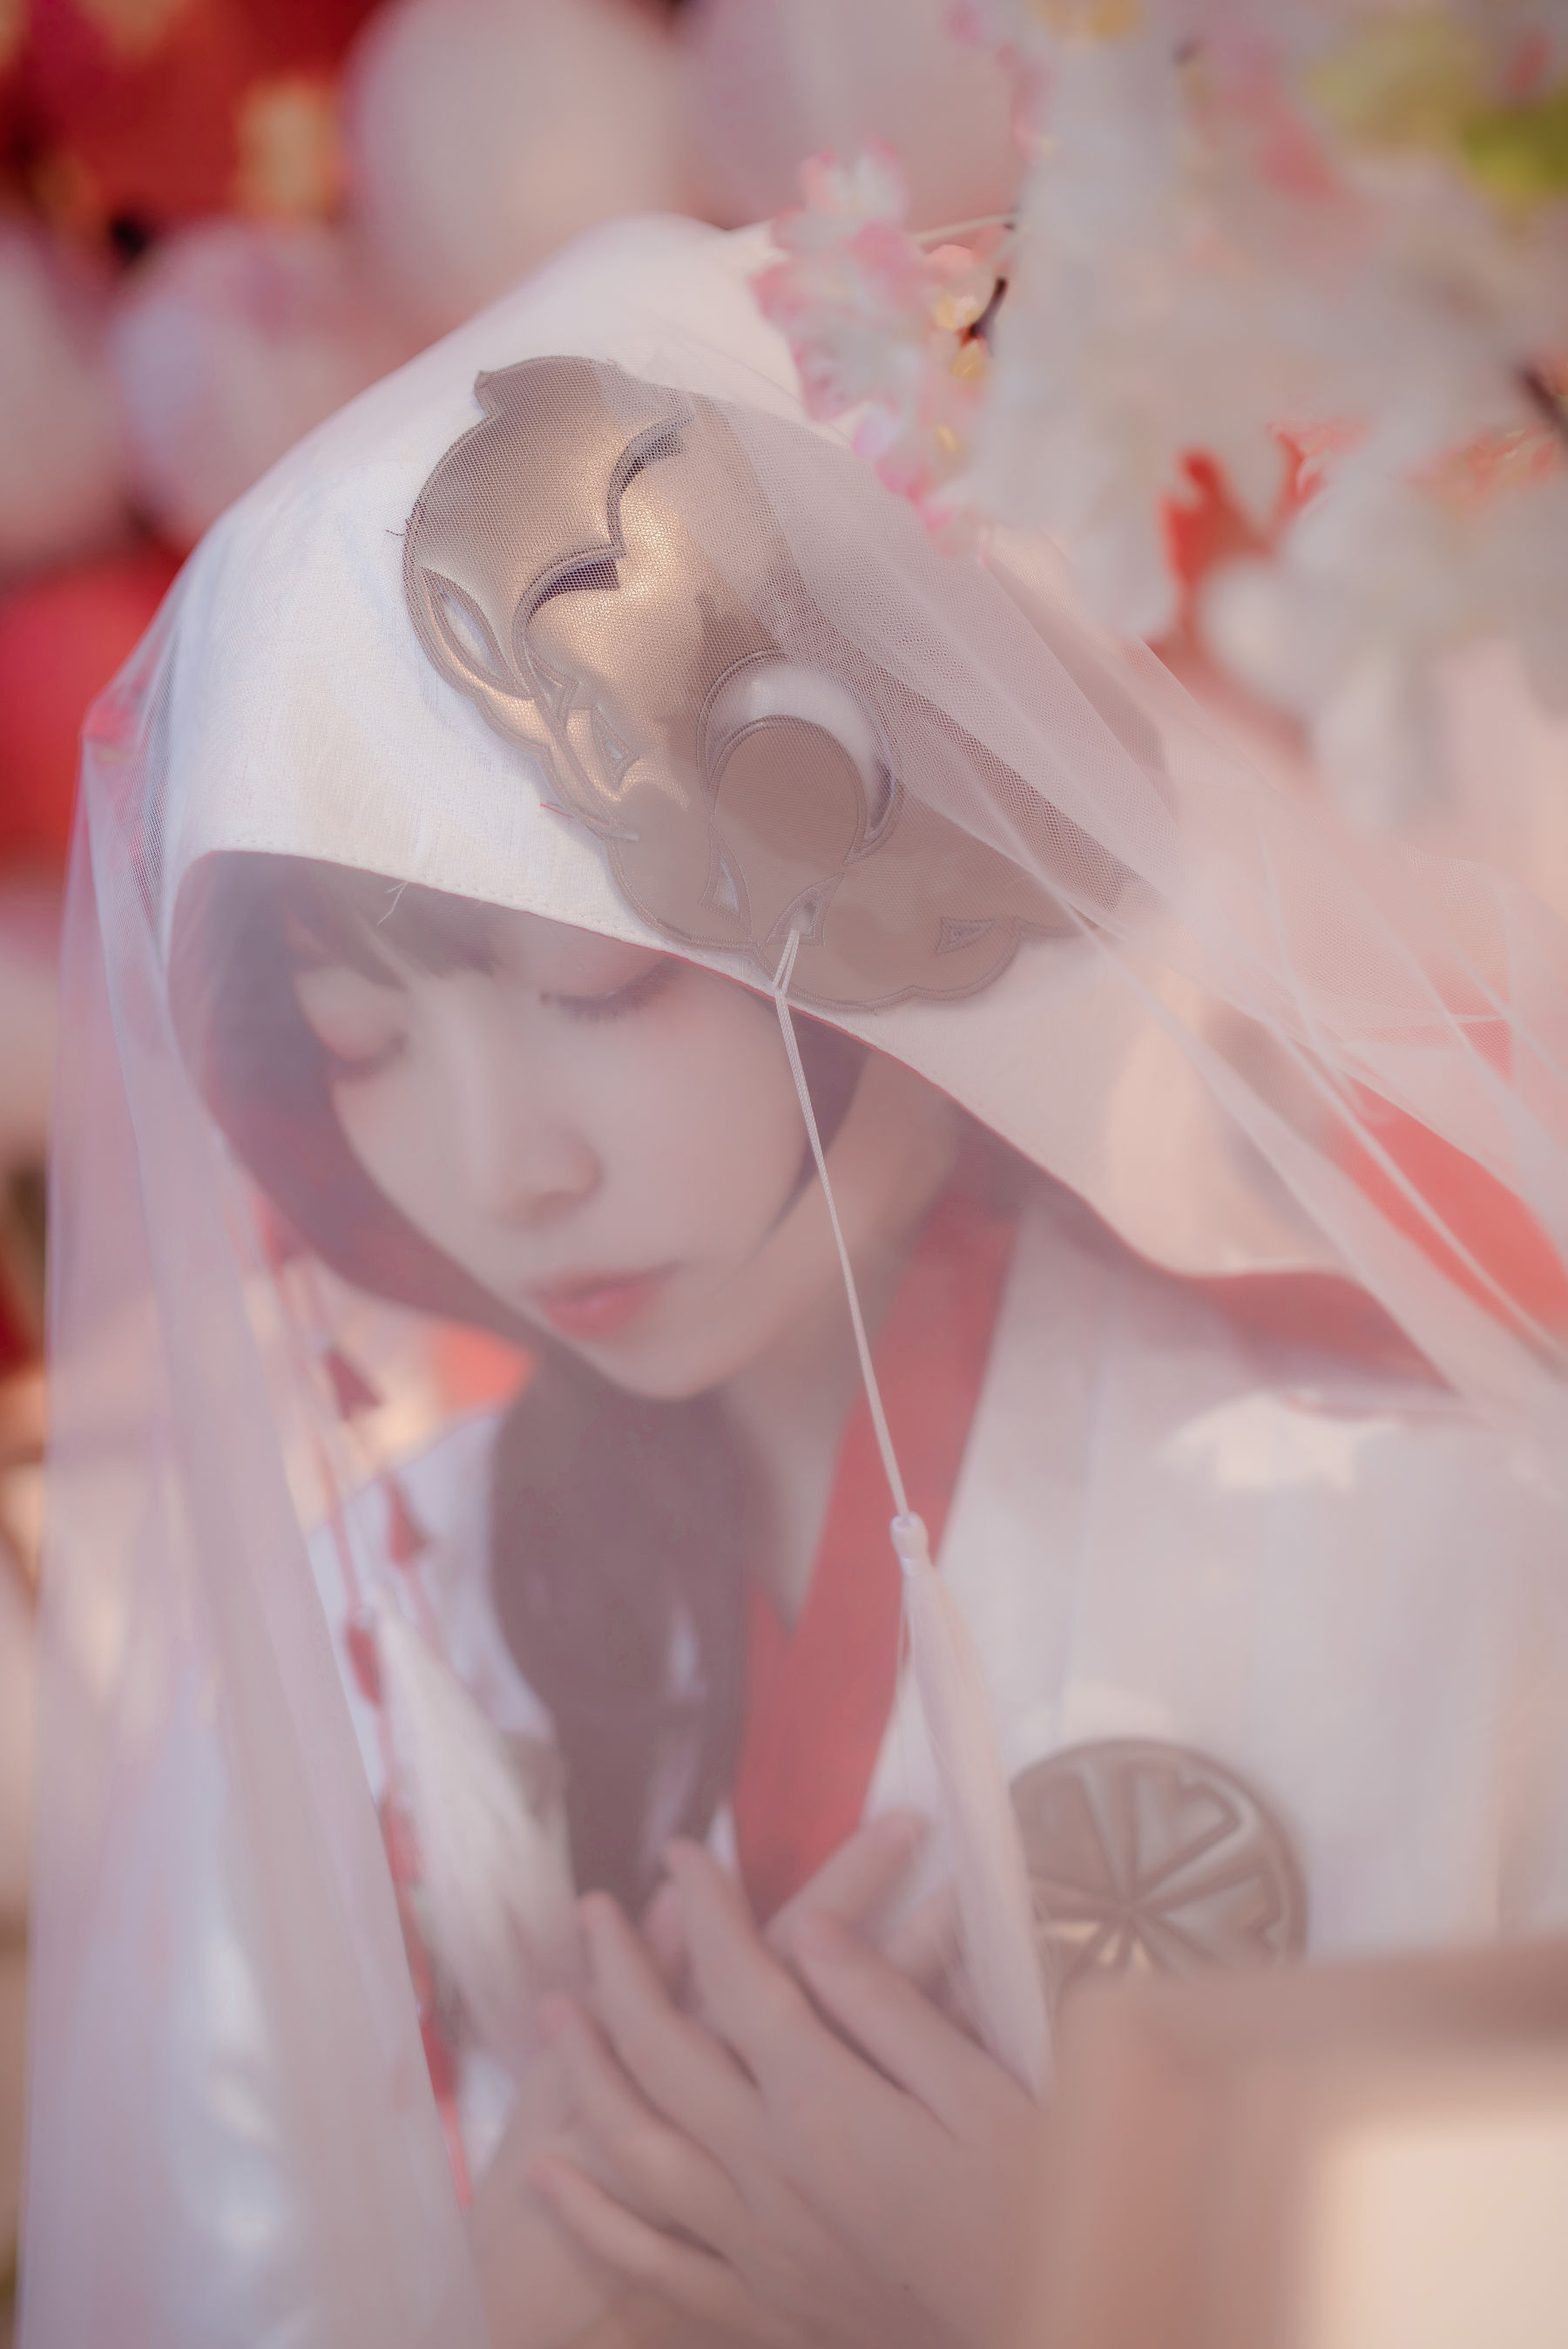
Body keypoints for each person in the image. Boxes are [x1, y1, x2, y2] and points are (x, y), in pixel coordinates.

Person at [22, 215, 1568, 2349]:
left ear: (880, 850)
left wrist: (1090, 2294)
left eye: (599, 984)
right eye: (363, 1042)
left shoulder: (1437, 1541)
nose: (506, 1167)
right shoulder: (367, 1651)